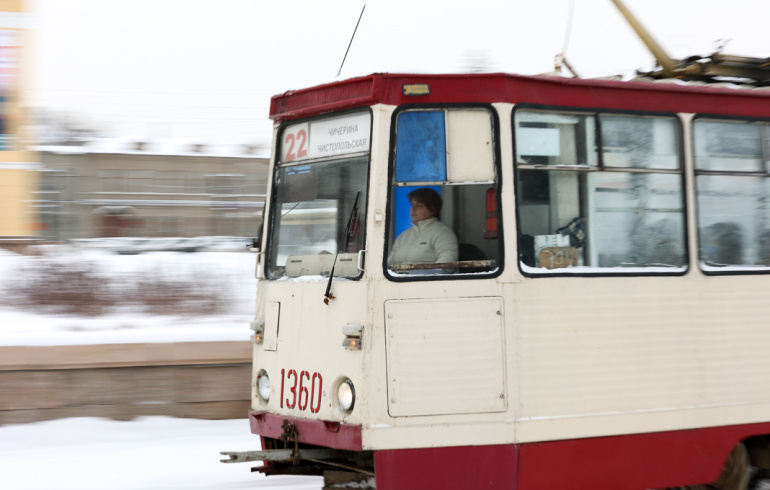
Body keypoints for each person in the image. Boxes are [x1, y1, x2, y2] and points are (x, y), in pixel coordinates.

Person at [387, 188, 459, 266]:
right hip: (398, 278)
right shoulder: (403, 235)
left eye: (419, 205)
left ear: (432, 210)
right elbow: (389, 263)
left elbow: (447, 262)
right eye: (412, 204)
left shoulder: (443, 233)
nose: (413, 209)